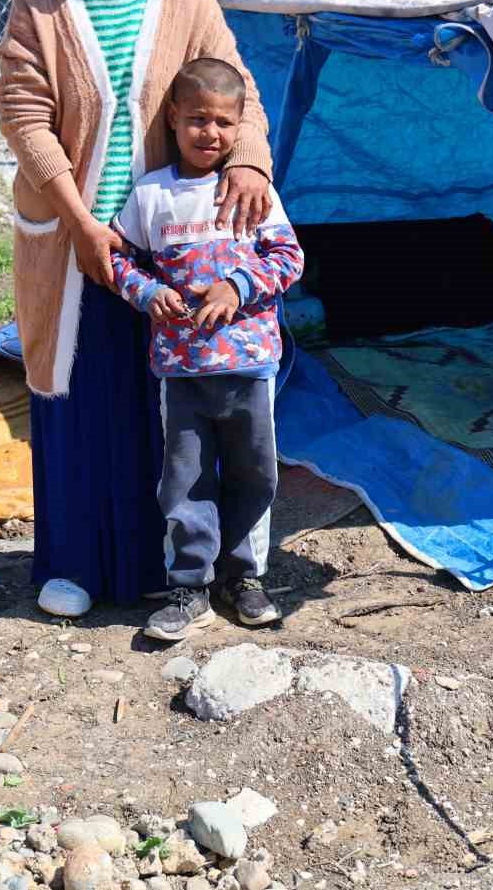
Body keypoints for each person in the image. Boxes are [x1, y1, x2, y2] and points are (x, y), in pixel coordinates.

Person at [0, 0, 274, 615]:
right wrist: (80, 222)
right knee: (80, 394)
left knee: (170, 405)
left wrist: (248, 161)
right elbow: (24, 114)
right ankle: (77, 565)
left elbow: (234, 82)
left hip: (171, 241)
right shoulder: (39, 2)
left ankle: (173, 570)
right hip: (75, 235)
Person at [108, 58, 303, 640]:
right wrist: (147, 294)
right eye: (197, 119)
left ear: (239, 126)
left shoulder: (251, 191)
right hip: (182, 369)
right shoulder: (151, 195)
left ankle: (243, 577)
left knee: (254, 473)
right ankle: (189, 585)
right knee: (184, 480)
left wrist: (236, 287)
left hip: (249, 365)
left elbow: (289, 258)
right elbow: (118, 257)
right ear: (173, 118)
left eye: (222, 122)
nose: (209, 134)